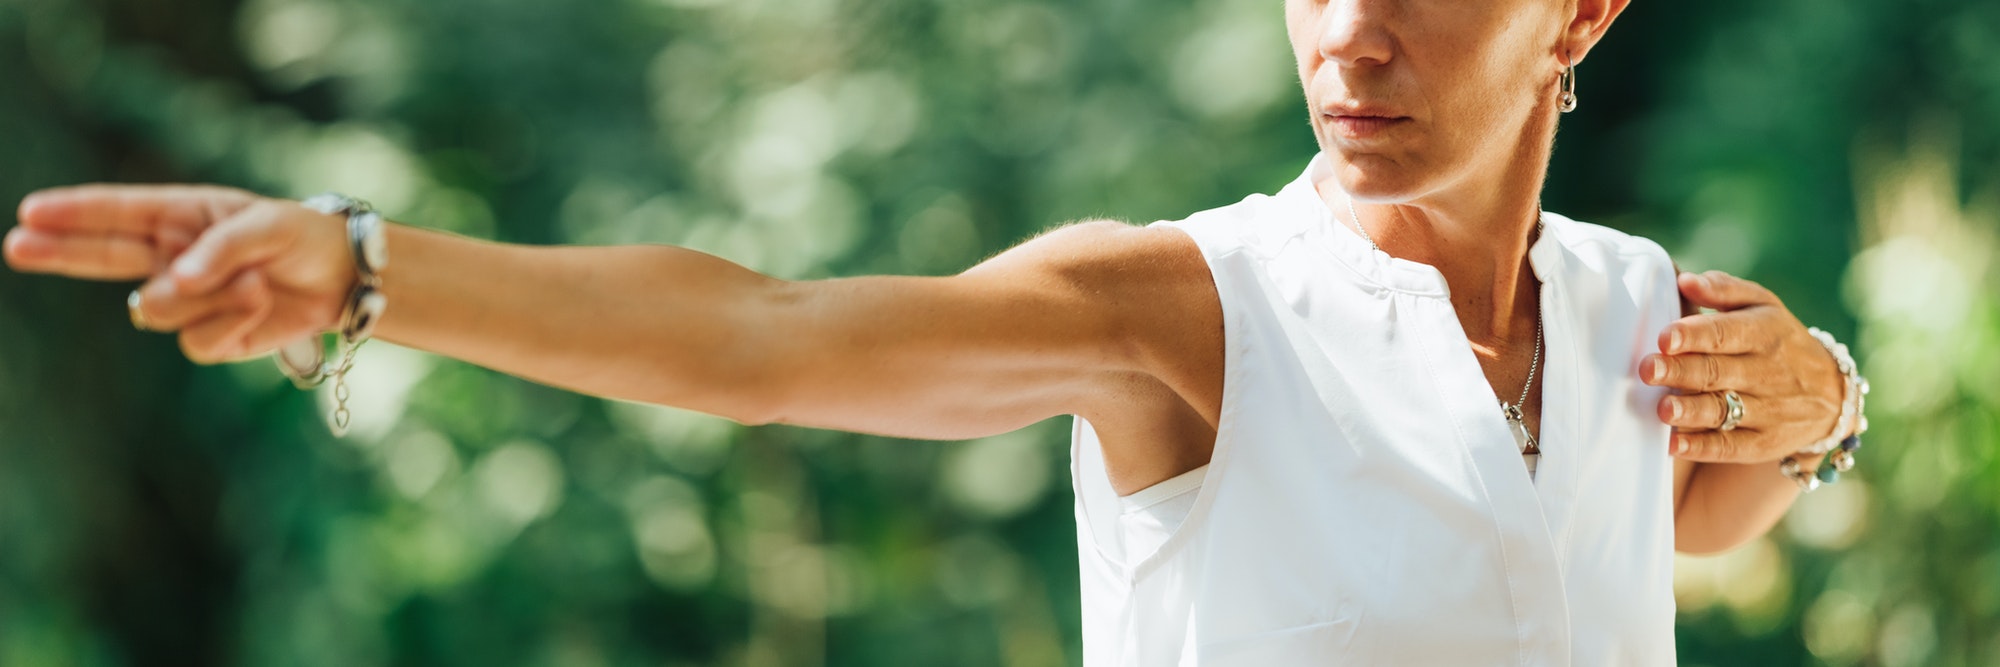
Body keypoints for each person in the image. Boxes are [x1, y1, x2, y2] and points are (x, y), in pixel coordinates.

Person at [3, 0, 1866, 663]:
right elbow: (767, 337)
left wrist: (1814, 406)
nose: (1346, 34)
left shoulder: (1629, 301)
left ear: (1584, 14)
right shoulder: (1190, 310)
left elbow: (1671, 536)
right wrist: (367, 266)